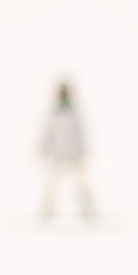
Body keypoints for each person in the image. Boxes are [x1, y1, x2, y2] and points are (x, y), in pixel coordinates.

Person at [38, 77, 94, 223]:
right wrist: (44, 150)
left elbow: (80, 135)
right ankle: (46, 212)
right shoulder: (54, 114)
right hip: (57, 156)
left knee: (81, 185)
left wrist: (82, 153)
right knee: (51, 185)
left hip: (73, 156)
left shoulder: (74, 114)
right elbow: (48, 134)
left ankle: (87, 211)